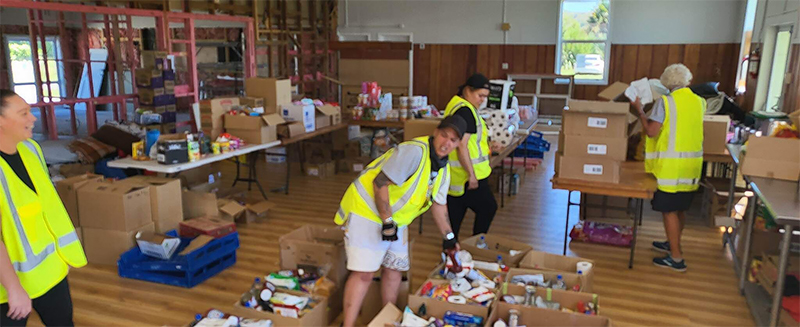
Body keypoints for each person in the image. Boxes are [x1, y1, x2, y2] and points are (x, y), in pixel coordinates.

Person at [334, 116, 466, 327]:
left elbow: (439, 205)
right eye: (443, 135)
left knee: (394, 269)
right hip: (367, 210)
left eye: (453, 139)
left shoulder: (443, 168)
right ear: (435, 132)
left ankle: (389, 319)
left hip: (396, 219)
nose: (446, 143)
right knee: (364, 274)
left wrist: (449, 238)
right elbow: (380, 183)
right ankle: (347, 325)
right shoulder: (414, 152)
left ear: (459, 143)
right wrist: (387, 221)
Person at [0, 89, 87, 326]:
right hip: (7, 286)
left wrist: (62, 256)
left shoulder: (31, 149)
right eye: (24, 113)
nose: (33, 118)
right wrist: (14, 288)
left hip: (50, 272)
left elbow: (48, 206)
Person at [632, 64, 704, 272]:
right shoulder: (699, 102)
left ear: (666, 82)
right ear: (688, 80)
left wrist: (640, 111)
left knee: (669, 211)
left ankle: (676, 257)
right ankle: (672, 243)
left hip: (672, 167)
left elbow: (652, 131)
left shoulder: (666, 102)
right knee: (680, 208)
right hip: (692, 165)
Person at [443, 73, 498, 237]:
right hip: (469, 175)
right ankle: (477, 243)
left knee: (455, 216)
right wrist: (471, 174)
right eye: (480, 95)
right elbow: (461, 145)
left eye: (485, 97)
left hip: (457, 175)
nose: (482, 100)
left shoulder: (456, 104)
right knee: (488, 207)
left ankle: (450, 250)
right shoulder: (465, 111)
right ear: (467, 90)